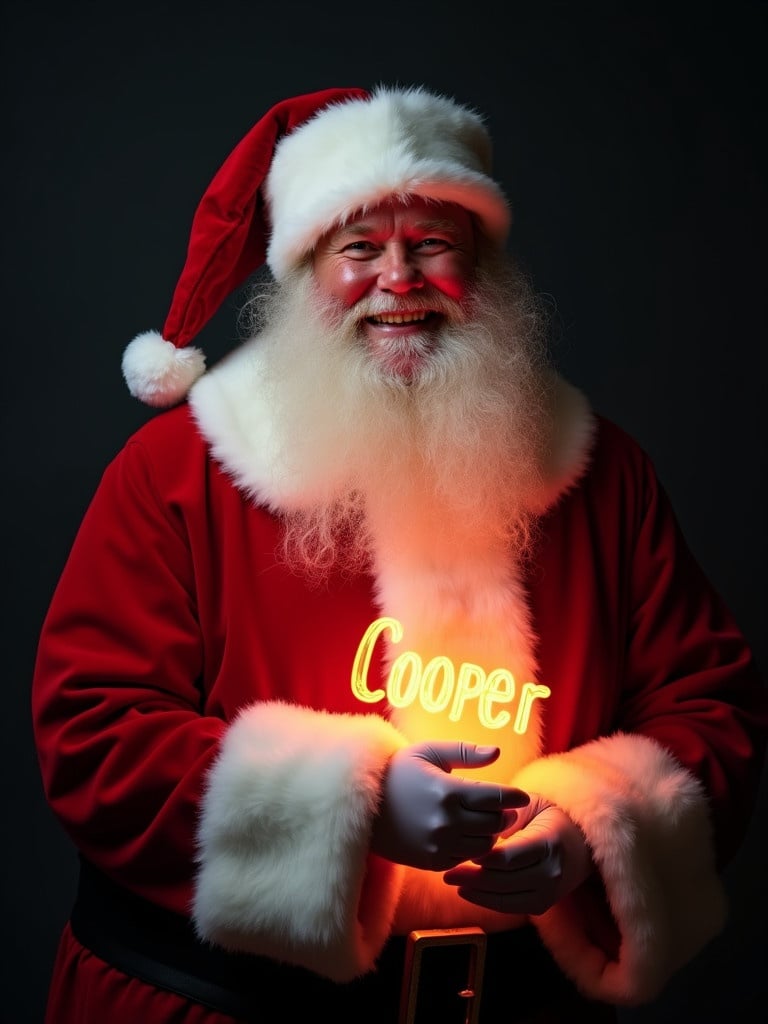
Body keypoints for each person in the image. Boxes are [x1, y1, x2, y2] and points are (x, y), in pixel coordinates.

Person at [32, 85, 767, 1024]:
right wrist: (355, 805)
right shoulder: (179, 469)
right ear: (301, 271)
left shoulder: (601, 471)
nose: (398, 279)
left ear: (483, 264)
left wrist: (592, 830)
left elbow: (712, 706)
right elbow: (93, 730)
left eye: (431, 244)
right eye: (358, 249)